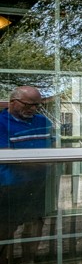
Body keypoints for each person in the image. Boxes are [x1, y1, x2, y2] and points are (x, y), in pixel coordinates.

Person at [0, 86, 55, 253]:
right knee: (5, 227)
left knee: (35, 223)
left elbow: (53, 146)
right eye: (28, 104)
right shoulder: (1, 123)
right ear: (13, 102)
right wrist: (43, 162)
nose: (33, 109)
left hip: (38, 183)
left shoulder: (43, 122)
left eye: (37, 105)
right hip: (10, 185)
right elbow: (8, 155)